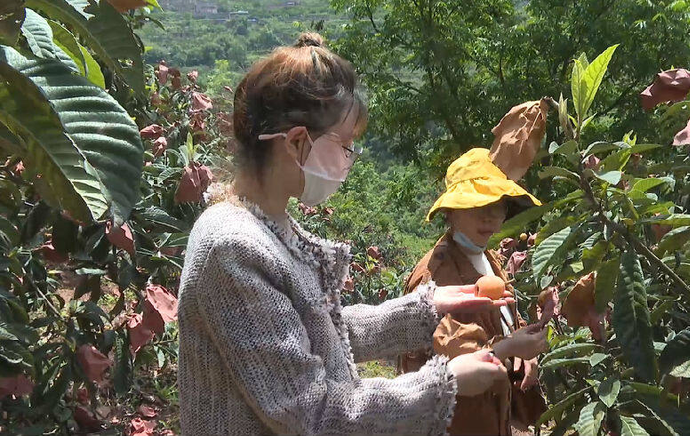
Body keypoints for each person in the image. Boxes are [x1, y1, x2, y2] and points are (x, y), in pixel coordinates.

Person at [177, 33, 517, 436]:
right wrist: (444, 383)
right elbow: (311, 412)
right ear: (298, 142)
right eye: (345, 145)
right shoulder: (232, 249)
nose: (349, 159)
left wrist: (426, 309)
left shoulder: (268, 224)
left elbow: (317, 330)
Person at [400, 102, 551, 436]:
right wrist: (510, 350)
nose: (489, 218)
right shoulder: (435, 276)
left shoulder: (490, 258)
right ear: (451, 212)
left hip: (489, 414)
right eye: (476, 206)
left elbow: (507, 319)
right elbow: (457, 361)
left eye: (497, 206)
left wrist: (524, 352)